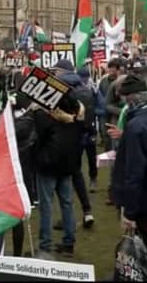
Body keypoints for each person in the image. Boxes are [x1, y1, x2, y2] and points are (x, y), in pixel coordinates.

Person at [31, 83, 82, 259]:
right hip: (67, 165)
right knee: (67, 203)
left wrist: (37, 110)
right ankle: (69, 243)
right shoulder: (76, 117)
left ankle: (45, 245)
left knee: (46, 206)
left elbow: (38, 133)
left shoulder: (46, 117)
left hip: (48, 165)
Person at [52, 60, 95, 229]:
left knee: (62, 180)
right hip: (81, 137)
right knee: (76, 175)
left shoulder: (58, 90)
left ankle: (66, 219)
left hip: (62, 139)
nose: (54, 74)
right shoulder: (86, 89)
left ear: (61, 72)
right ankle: (87, 211)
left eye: (56, 71)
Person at [111, 75, 147, 240]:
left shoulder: (135, 127)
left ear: (130, 99)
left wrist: (130, 213)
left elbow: (135, 172)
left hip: (143, 204)